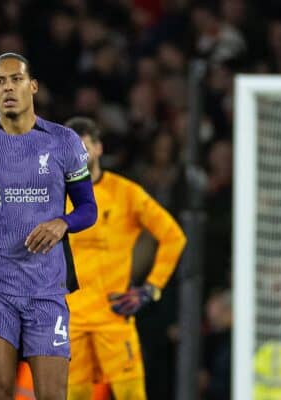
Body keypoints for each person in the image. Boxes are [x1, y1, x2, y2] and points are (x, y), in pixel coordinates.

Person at [0, 53, 98, 400]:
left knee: (53, 395)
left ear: (33, 86)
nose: (8, 87)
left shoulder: (63, 141)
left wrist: (63, 222)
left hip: (46, 288)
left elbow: (88, 209)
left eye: (16, 79)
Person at [64, 117, 186, 400]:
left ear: (98, 149)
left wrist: (151, 288)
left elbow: (173, 236)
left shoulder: (125, 193)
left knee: (131, 395)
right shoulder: (54, 196)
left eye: (84, 148)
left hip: (114, 316)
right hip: (71, 319)